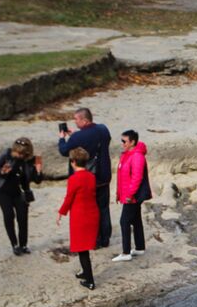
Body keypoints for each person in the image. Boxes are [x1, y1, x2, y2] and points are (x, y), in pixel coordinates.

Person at [58, 107, 113, 249]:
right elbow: (94, 138)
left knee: (91, 210)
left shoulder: (78, 137)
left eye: (76, 119)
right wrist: (76, 135)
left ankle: (95, 240)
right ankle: (105, 239)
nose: (75, 122)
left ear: (84, 120)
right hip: (104, 175)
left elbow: (64, 151)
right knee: (104, 209)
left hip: (89, 178)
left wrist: (62, 138)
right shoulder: (103, 129)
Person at [57, 147, 99, 290]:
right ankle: (85, 273)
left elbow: (69, 199)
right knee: (84, 248)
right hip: (92, 214)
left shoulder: (74, 179)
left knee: (82, 249)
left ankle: (90, 281)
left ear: (73, 162)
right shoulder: (91, 177)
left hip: (80, 216)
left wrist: (61, 213)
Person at [0, 137, 43, 255]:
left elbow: (37, 180)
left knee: (22, 218)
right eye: (17, 152)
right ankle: (14, 244)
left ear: (27, 152)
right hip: (3, 190)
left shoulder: (31, 160)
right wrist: (2, 172)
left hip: (20, 192)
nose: (19, 155)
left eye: (22, 153)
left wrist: (39, 170)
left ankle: (23, 245)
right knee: (9, 215)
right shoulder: (7, 154)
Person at [113, 130, 151, 262]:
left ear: (132, 142)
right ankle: (140, 248)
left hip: (133, 195)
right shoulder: (128, 154)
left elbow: (137, 178)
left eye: (124, 141)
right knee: (135, 219)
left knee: (124, 221)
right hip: (130, 194)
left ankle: (125, 252)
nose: (122, 144)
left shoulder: (137, 156)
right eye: (122, 141)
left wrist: (129, 195)